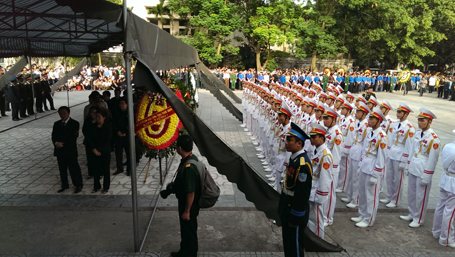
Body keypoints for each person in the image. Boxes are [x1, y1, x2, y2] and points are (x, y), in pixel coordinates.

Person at [400, 108, 440, 228]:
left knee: (421, 196)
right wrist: (407, 165)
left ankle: (419, 218)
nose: (419, 123)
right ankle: (412, 213)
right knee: (412, 193)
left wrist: (427, 176)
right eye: (419, 120)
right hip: (413, 166)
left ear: (429, 122)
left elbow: (433, 159)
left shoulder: (434, 139)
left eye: (422, 121)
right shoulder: (417, 134)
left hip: (423, 169)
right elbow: (412, 151)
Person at [279, 122, 312, 255]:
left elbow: (302, 194)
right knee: (288, 243)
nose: (286, 143)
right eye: (287, 139)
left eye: (290, 140)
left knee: (295, 247)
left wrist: (296, 216)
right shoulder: (295, 159)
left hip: (294, 211)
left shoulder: (302, 164)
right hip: (287, 208)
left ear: (299, 143)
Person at [351, 107, 387, 228]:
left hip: (372, 167)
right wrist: (360, 165)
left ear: (378, 121)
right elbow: (364, 150)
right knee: (362, 192)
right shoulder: (370, 133)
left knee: (371, 195)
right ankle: (362, 214)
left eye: (372, 118)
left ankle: (368, 218)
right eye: (369, 117)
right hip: (365, 164)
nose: (369, 120)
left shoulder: (382, 136)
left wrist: (376, 174)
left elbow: (381, 158)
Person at [169, 135, 201, 257]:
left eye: (177, 146)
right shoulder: (192, 158)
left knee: (189, 231)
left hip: (189, 205)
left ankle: (191, 254)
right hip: (188, 203)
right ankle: (184, 251)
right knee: (186, 230)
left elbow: (190, 192)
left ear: (180, 148)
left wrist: (187, 211)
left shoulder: (189, 167)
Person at [380, 103, 415, 208]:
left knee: (398, 179)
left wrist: (405, 160)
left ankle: (395, 200)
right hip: (392, 153)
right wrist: (387, 153)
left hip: (400, 154)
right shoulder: (394, 125)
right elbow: (390, 141)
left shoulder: (409, 128)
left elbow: (409, 146)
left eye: (400, 112)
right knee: (390, 177)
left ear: (406, 114)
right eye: (397, 112)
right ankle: (389, 196)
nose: (397, 114)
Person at [307, 123, 332, 239]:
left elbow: (326, 178)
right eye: (311, 137)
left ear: (321, 138)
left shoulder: (325, 155)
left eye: (314, 137)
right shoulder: (317, 150)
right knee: (311, 217)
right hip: (312, 187)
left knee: (316, 218)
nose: (311, 139)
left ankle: (318, 240)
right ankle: (312, 238)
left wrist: (321, 196)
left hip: (317, 190)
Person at [51, 106, 83, 193]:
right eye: (60, 114)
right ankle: (64, 184)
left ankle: (78, 184)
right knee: (62, 168)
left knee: (74, 168)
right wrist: (56, 143)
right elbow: (53, 136)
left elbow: (73, 137)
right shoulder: (57, 124)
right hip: (59, 151)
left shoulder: (74, 123)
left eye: (64, 113)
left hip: (70, 150)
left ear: (68, 113)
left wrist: (62, 144)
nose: (62, 115)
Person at [432, 133, 455, 248]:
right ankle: (446, 239)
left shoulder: (447, 146)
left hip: (445, 178)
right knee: (450, 212)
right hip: (453, 181)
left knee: (441, 206)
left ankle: (436, 231)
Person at [86, 108, 112, 194]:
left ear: (104, 117)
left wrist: (100, 151)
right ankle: (96, 186)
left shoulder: (107, 127)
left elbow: (107, 141)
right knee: (96, 169)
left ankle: (106, 187)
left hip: (104, 151)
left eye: (99, 117)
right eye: (96, 117)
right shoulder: (92, 127)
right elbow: (90, 139)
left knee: (105, 170)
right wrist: (94, 149)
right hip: (94, 151)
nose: (97, 119)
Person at [112, 97, 131, 176]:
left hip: (127, 135)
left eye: (123, 104)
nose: (121, 105)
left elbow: (130, 124)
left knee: (129, 153)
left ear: (126, 104)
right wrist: (117, 131)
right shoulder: (116, 113)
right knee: (118, 153)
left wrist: (125, 132)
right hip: (118, 135)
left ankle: (129, 169)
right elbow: (114, 123)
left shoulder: (129, 113)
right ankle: (119, 168)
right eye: (120, 104)